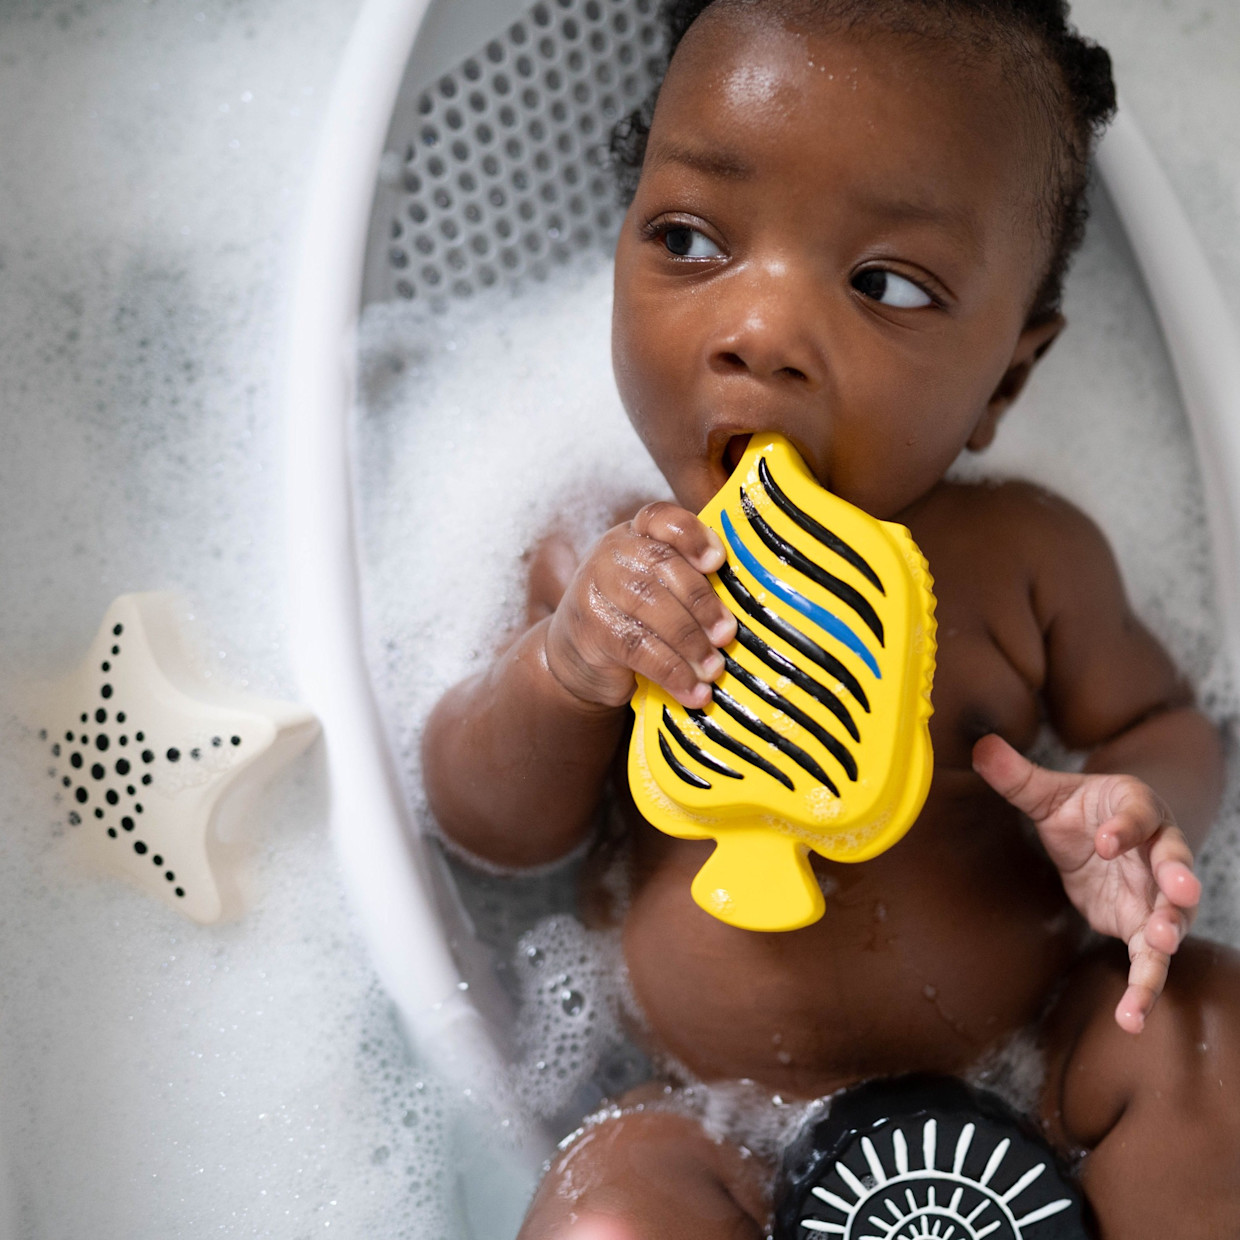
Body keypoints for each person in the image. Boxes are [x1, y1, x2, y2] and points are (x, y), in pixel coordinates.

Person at [421, 1, 1240, 1234]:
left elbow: (1159, 717)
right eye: (692, 239)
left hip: (1037, 1057)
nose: (763, 335)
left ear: (1004, 379)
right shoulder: (602, 558)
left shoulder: (1024, 558)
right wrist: (564, 670)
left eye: (886, 284)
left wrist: (1132, 816)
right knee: (613, 1216)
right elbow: (490, 825)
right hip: (703, 1118)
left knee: (1208, 1027)